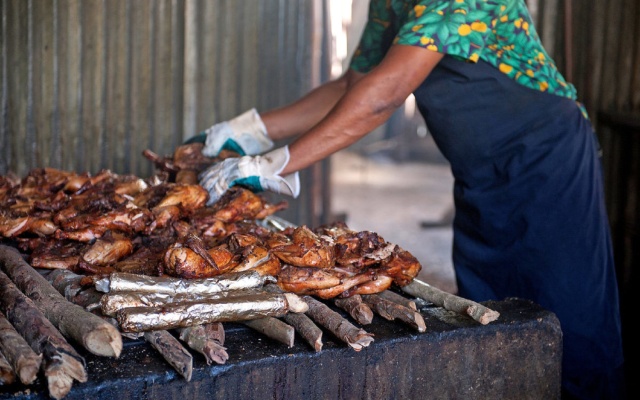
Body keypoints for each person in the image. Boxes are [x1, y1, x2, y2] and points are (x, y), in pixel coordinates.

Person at [189, 1, 625, 398]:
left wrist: (278, 164)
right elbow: (354, 86)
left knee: (570, 314)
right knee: (493, 310)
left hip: (548, 160)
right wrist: (249, 130)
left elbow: (386, 95)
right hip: (480, 172)